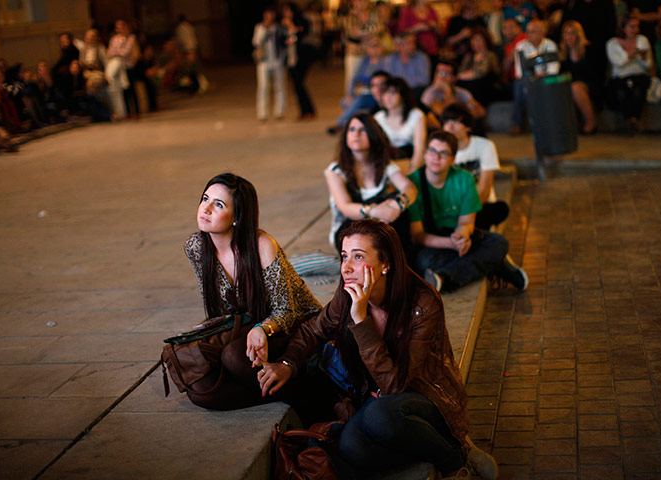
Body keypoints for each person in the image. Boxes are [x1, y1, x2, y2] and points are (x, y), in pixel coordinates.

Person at [259, 219, 499, 479]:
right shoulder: (348, 293)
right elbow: (312, 330)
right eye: (344, 256)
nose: (346, 268)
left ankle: (455, 460)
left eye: (358, 256)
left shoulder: (423, 303)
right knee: (352, 447)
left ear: (386, 264)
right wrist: (286, 364)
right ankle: (425, 452)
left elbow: (397, 385)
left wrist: (361, 321)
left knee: (378, 416)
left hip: (426, 399)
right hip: (378, 401)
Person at [184, 173, 322, 410]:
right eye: (205, 199)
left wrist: (262, 329)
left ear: (237, 216)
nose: (205, 209)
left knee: (234, 357)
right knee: (200, 391)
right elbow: (217, 307)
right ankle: (284, 389)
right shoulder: (196, 247)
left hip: (296, 328)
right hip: (249, 330)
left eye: (218, 205)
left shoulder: (261, 246)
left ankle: (312, 398)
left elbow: (287, 309)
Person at [409, 130, 528, 293]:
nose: (436, 157)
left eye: (443, 153)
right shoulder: (413, 183)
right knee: (423, 262)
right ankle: (495, 264)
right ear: (425, 154)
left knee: (499, 243)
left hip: (457, 235)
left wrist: (462, 236)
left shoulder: (464, 178)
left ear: (453, 159)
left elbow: (466, 222)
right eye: (432, 151)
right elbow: (418, 236)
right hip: (434, 241)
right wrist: (450, 244)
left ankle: (445, 278)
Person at [326, 112, 418, 265]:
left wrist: (397, 205)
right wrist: (374, 211)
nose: (356, 134)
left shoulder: (384, 165)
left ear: (373, 135)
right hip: (348, 229)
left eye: (362, 130)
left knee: (401, 212)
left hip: (378, 225)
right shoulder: (335, 170)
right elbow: (345, 207)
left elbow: (410, 188)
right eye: (352, 129)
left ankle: (403, 269)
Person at [441, 103, 509, 231]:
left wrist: (466, 215)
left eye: (455, 121)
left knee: (500, 209)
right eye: (446, 121)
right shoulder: (439, 151)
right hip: (451, 208)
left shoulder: (485, 146)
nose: (450, 126)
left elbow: (484, 188)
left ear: (468, 126)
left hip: (479, 204)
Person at [327, 36, 387, 134]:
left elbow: (382, 81)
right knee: (345, 101)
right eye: (372, 47)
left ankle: (340, 124)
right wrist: (350, 93)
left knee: (359, 101)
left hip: (373, 94)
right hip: (359, 91)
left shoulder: (384, 62)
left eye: (377, 47)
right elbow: (354, 78)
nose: (374, 50)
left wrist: (366, 85)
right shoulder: (365, 61)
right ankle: (351, 124)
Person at [511, 20, 560, 134]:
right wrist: (534, 77)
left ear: (542, 33)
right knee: (518, 86)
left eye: (532, 32)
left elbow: (554, 68)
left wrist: (542, 75)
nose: (528, 35)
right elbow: (519, 70)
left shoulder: (550, 45)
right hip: (529, 79)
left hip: (547, 78)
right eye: (527, 31)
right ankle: (517, 123)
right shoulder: (521, 46)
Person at [606, 15, 653, 132]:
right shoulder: (612, 43)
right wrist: (630, 55)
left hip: (639, 75)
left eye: (637, 26)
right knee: (622, 91)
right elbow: (618, 63)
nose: (635, 30)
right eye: (632, 26)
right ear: (623, 28)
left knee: (638, 90)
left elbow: (648, 65)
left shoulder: (642, 40)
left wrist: (642, 58)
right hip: (620, 77)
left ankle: (634, 119)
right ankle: (628, 120)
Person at [374, 76, 426, 173]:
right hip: (388, 163)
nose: (388, 97)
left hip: (410, 160)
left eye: (393, 93)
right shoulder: (378, 118)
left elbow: (419, 149)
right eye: (385, 93)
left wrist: (413, 171)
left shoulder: (416, 115)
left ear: (403, 96)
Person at [559, 20, 599, 134]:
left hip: (589, 84)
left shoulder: (588, 50)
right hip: (570, 84)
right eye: (566, 33)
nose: (569, 36)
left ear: (578, 34)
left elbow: (593, 73)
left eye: (572, 33)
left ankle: (591, 122)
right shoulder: (563, 53)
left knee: (575, 88)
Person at [420, 59, 486, 122]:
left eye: (447, 74)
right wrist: (447, 91)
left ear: (454, 78)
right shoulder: (430, 93)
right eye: (439, 73)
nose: (442, 77)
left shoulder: (461, 92)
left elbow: (481, 112)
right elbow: (448, 117)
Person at [283, 2, 317, 120]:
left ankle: (308, 110)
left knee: (299, 84)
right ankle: (304, 111)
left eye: (288, 10)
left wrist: (291, 26)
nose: (286, 13)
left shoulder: (301, 20)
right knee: (296, 86)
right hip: (290, 59)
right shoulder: (283, 24)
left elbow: (302, 34)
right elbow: (282, 39)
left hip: (302, 58)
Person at [253, 7, 287, 122]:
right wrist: (265, 29)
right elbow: (257, 42)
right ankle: (262, 113)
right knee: (263, 87)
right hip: (263, 62)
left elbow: (284, 41)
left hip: (277, 61)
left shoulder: (278, 28)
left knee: (279, 86)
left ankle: (279, 111)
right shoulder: (259, 27)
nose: (269, 17)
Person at [456, 27, 502, 107]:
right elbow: (461, 71)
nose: (476, 43)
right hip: (471, 85)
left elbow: (480, 73)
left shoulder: (490, 55)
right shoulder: (469, 56)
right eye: (474, 40)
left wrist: (460, 76)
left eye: (479, 39)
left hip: (486, 88)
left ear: (485, 41)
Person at [382, 33, 431, 100]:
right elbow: (388, 79)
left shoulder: (422, 58)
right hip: (395, 91)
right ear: (399, 46)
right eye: (408, 43)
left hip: (415, 91)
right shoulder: (390, 59)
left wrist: (403, 85)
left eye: (414, 42)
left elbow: (424, 80)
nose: (413, 46)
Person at [107, 19, 140, 118]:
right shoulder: (114, 39)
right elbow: (110, 52)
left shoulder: (131, 38)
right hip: (119, 68)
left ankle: (136, 111)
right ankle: (127, 112)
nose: (120, 29)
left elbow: (127, 52)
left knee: (131, 89)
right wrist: (119, 51)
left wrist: (117, 51)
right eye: (118, 27)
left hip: (129, 66)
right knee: (123, 90)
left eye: (122, 26)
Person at [398, 0, 441, 65]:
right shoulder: (407, 11)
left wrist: (434, 26)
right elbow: (401, 33)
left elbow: (440, 32)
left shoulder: (432, 11)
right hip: (414, 49)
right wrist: (415, 29)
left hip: (432, 49)